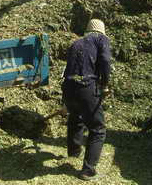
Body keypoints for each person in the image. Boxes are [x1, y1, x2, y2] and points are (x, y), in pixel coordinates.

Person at [62, 18, 111, 181]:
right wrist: (105, 83)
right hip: (86, 86)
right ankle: (88, 170)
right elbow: (105, 60)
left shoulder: (76, 43)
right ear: (100, 32)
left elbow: (67, 67)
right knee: (98, 129)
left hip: (68, 87)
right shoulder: (100, 39)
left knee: (76, 117)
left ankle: (73, 152)